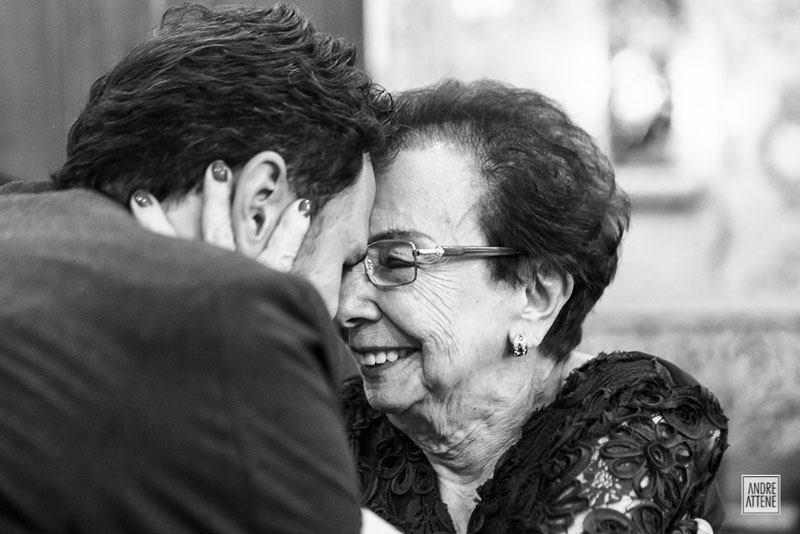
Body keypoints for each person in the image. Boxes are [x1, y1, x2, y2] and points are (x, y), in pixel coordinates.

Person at [0, 3, 394, 533]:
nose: (346, 307)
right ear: (259, 205)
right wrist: (221, 299)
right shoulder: (222, 315)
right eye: (346, 260)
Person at [333, 80, 728, 534]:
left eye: (397, 260)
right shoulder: (325, 434)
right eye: (347, 263)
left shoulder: (637, 416)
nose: (347, 307)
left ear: (536, 296)